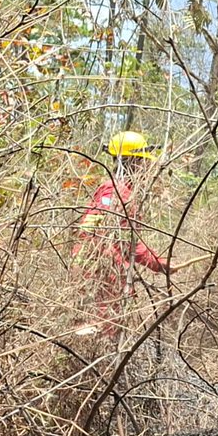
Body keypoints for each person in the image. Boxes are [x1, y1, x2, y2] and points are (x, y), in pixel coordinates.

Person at [73, 131, 171, 335]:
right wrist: (156, 264)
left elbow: (128, 240)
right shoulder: (114, 192)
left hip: (107, 268)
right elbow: (101, 236)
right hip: (103, 269)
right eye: (142, 162)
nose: (145, 167)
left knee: (111, 323)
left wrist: (157, 263)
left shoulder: (123, 190)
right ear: (131, 162)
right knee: (105, 324)